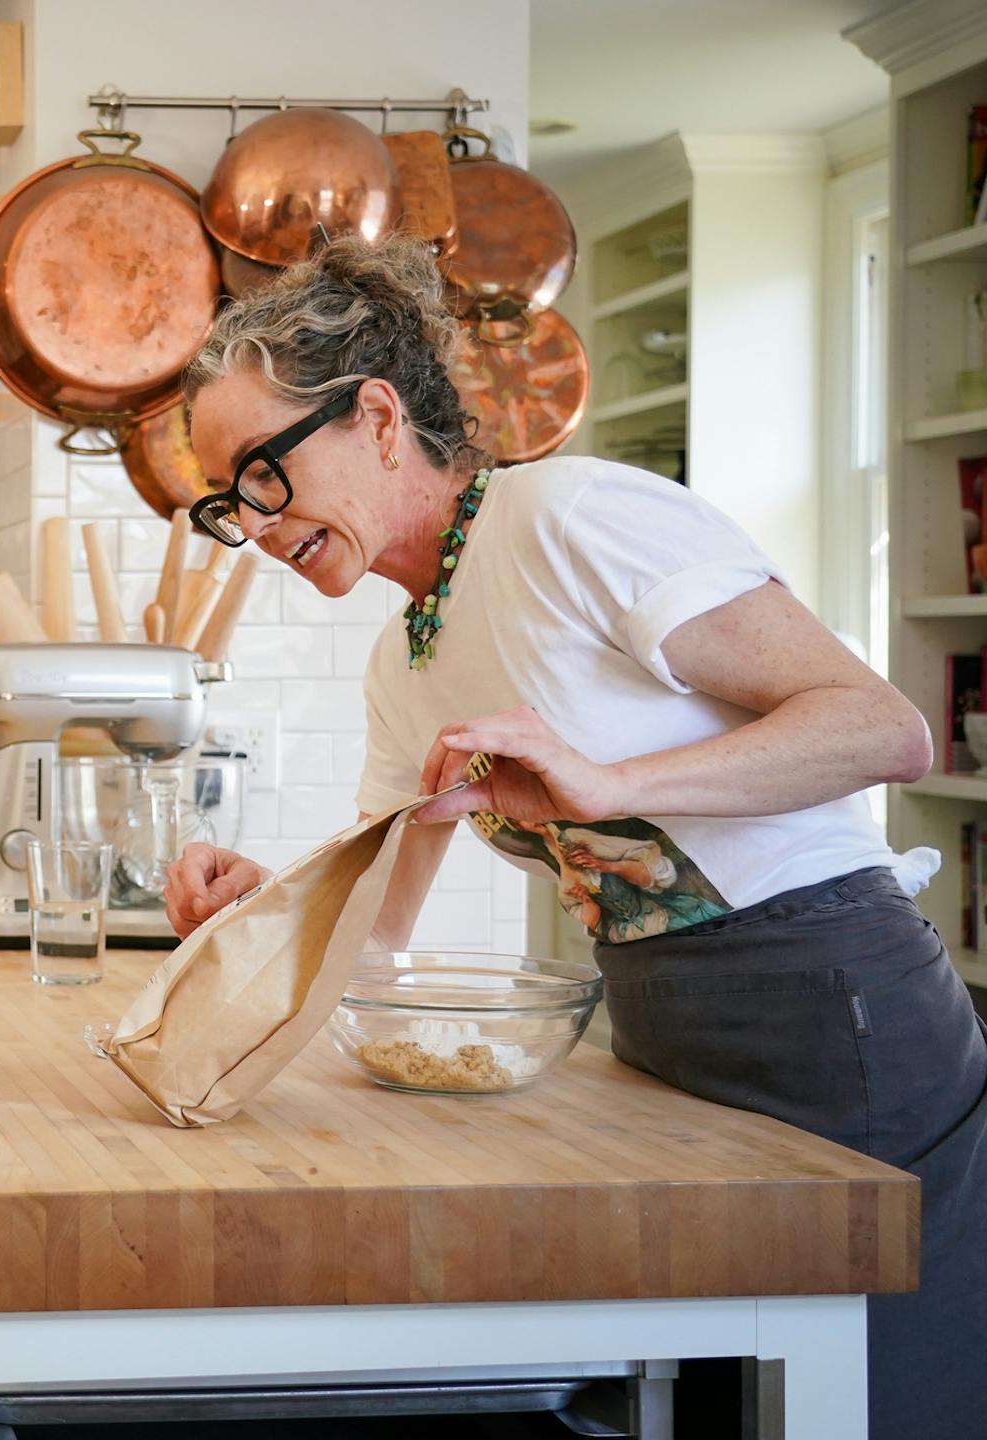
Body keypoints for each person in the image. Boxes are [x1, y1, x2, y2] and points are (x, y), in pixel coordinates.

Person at [163, 235, 986, 1440]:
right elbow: (373, 921)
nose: (256, 520)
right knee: (735, 1398)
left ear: (377, 418)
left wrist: (606, 781)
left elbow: (883, 727)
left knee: (889, 1398)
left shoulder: (574, 516)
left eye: (263, 472)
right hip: (663, 1035)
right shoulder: (407, 662)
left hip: (841, 1011)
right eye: (231, 500)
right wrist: (259, 906)